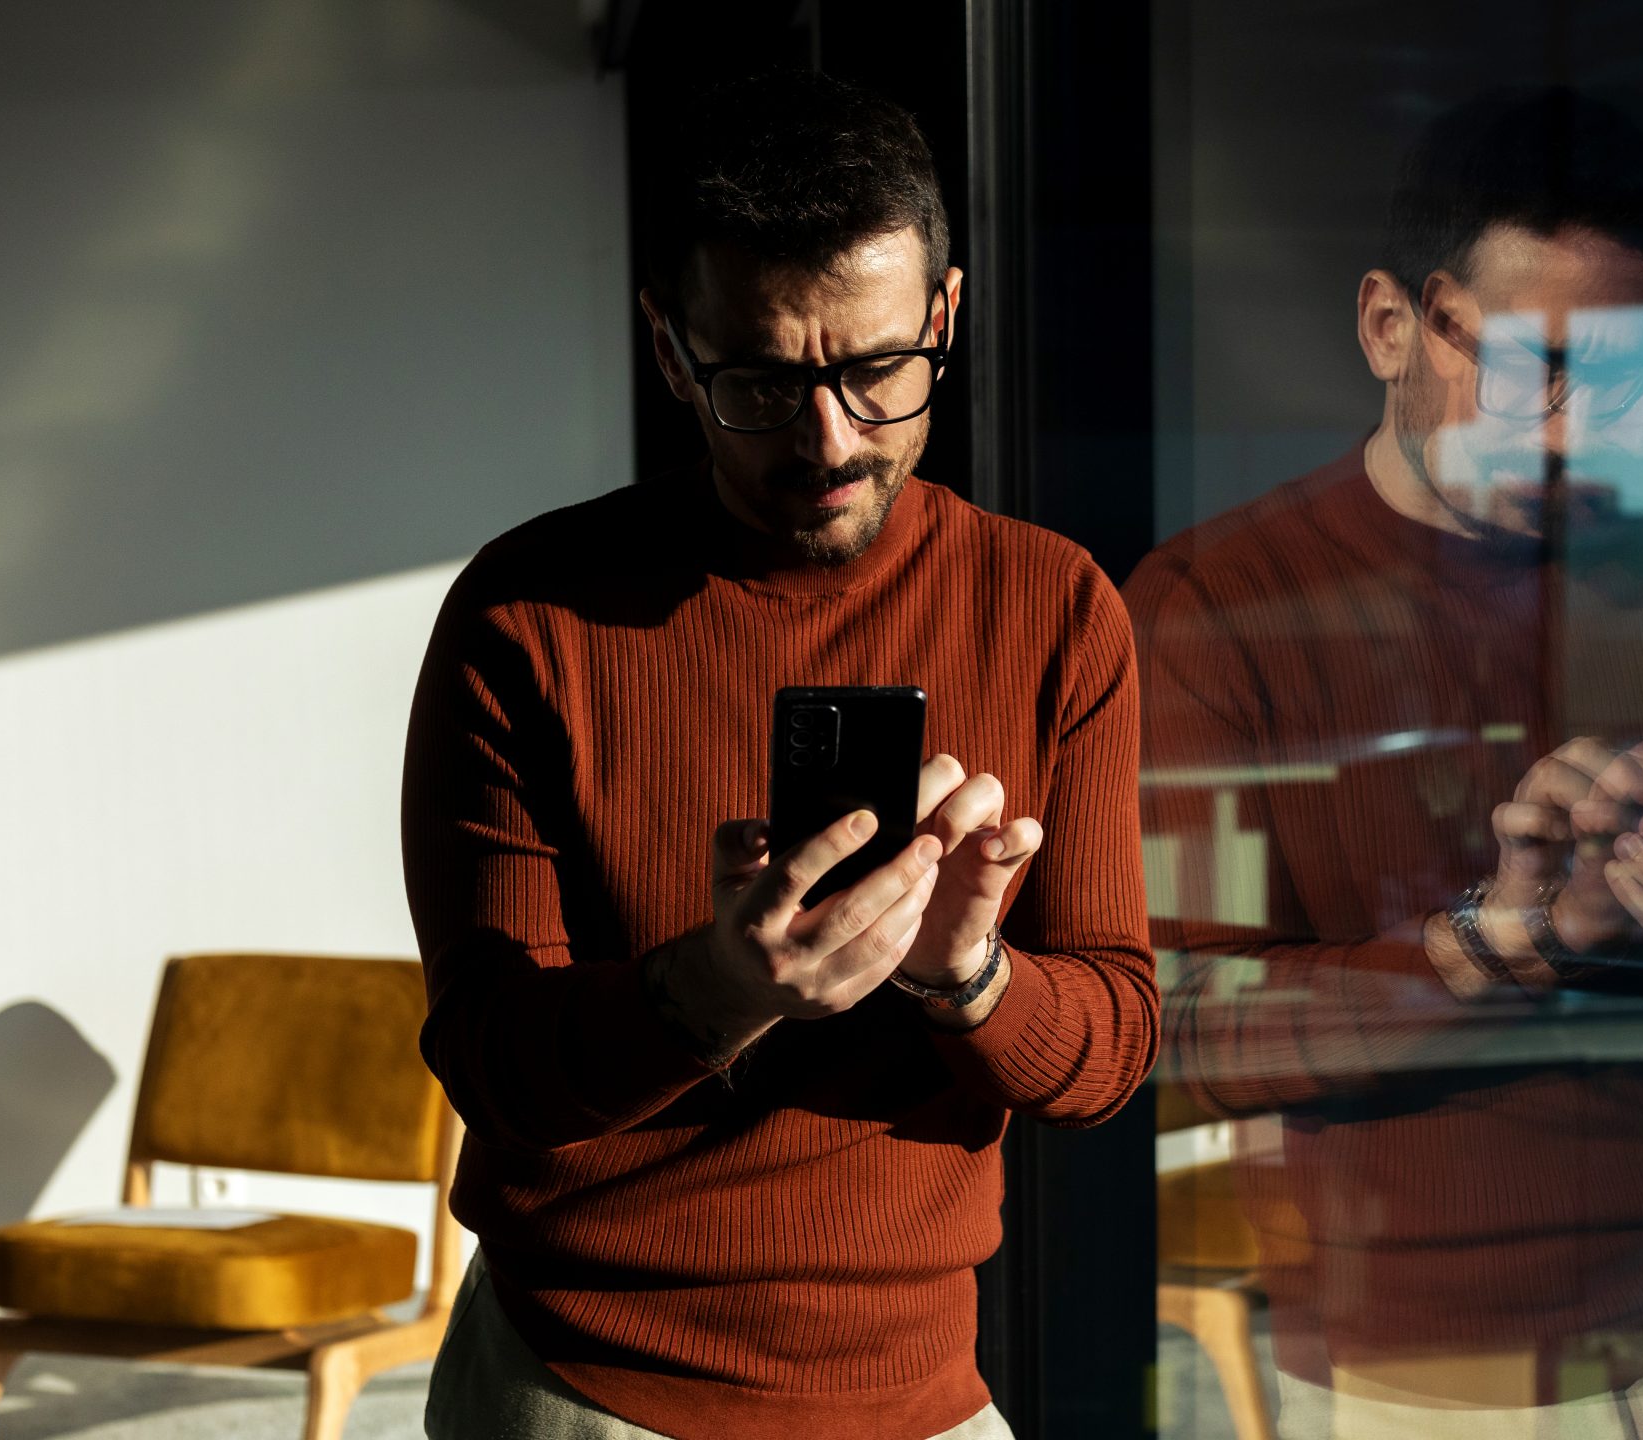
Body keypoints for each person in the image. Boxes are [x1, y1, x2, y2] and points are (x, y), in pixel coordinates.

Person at [402, 70, 1157, 1440]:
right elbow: (490, 1061)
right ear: (669, 347)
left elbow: (1111, 1051)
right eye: (759, 381)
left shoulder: (1052, 607)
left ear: (944, 318)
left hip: (923, 1389)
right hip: (583, 1383)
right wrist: (717, 989)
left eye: (876, 372)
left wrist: (968, 977)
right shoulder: (527, 614)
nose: (828, 440)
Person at [1129, 89, 1643, 1438]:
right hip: (1429, 1374)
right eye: (1545, 371)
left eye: (1641, 382)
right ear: (1392, 326)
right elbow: (1173, 1031)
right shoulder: (1215, 606)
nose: (1593, 431)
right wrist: (1495, 945)